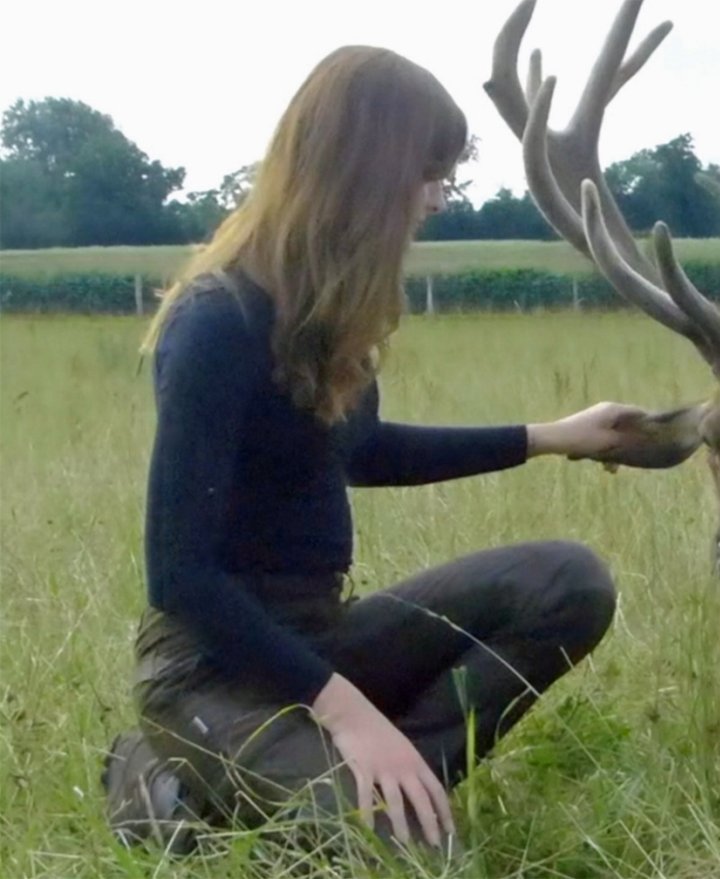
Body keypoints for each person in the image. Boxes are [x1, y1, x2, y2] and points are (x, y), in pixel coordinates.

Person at [100, 44, 642, 855]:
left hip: (316, 641)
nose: (437, 198)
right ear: (363, 171)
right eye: (427, 174)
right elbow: (181, 576)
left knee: (567, 582)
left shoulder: (329, 313)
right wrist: (348, 710)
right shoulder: (217, 322)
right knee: (407, 852)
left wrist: (552, 437)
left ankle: (375, 787)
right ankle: (163, 779)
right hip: (209, 671)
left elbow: (362, 451)